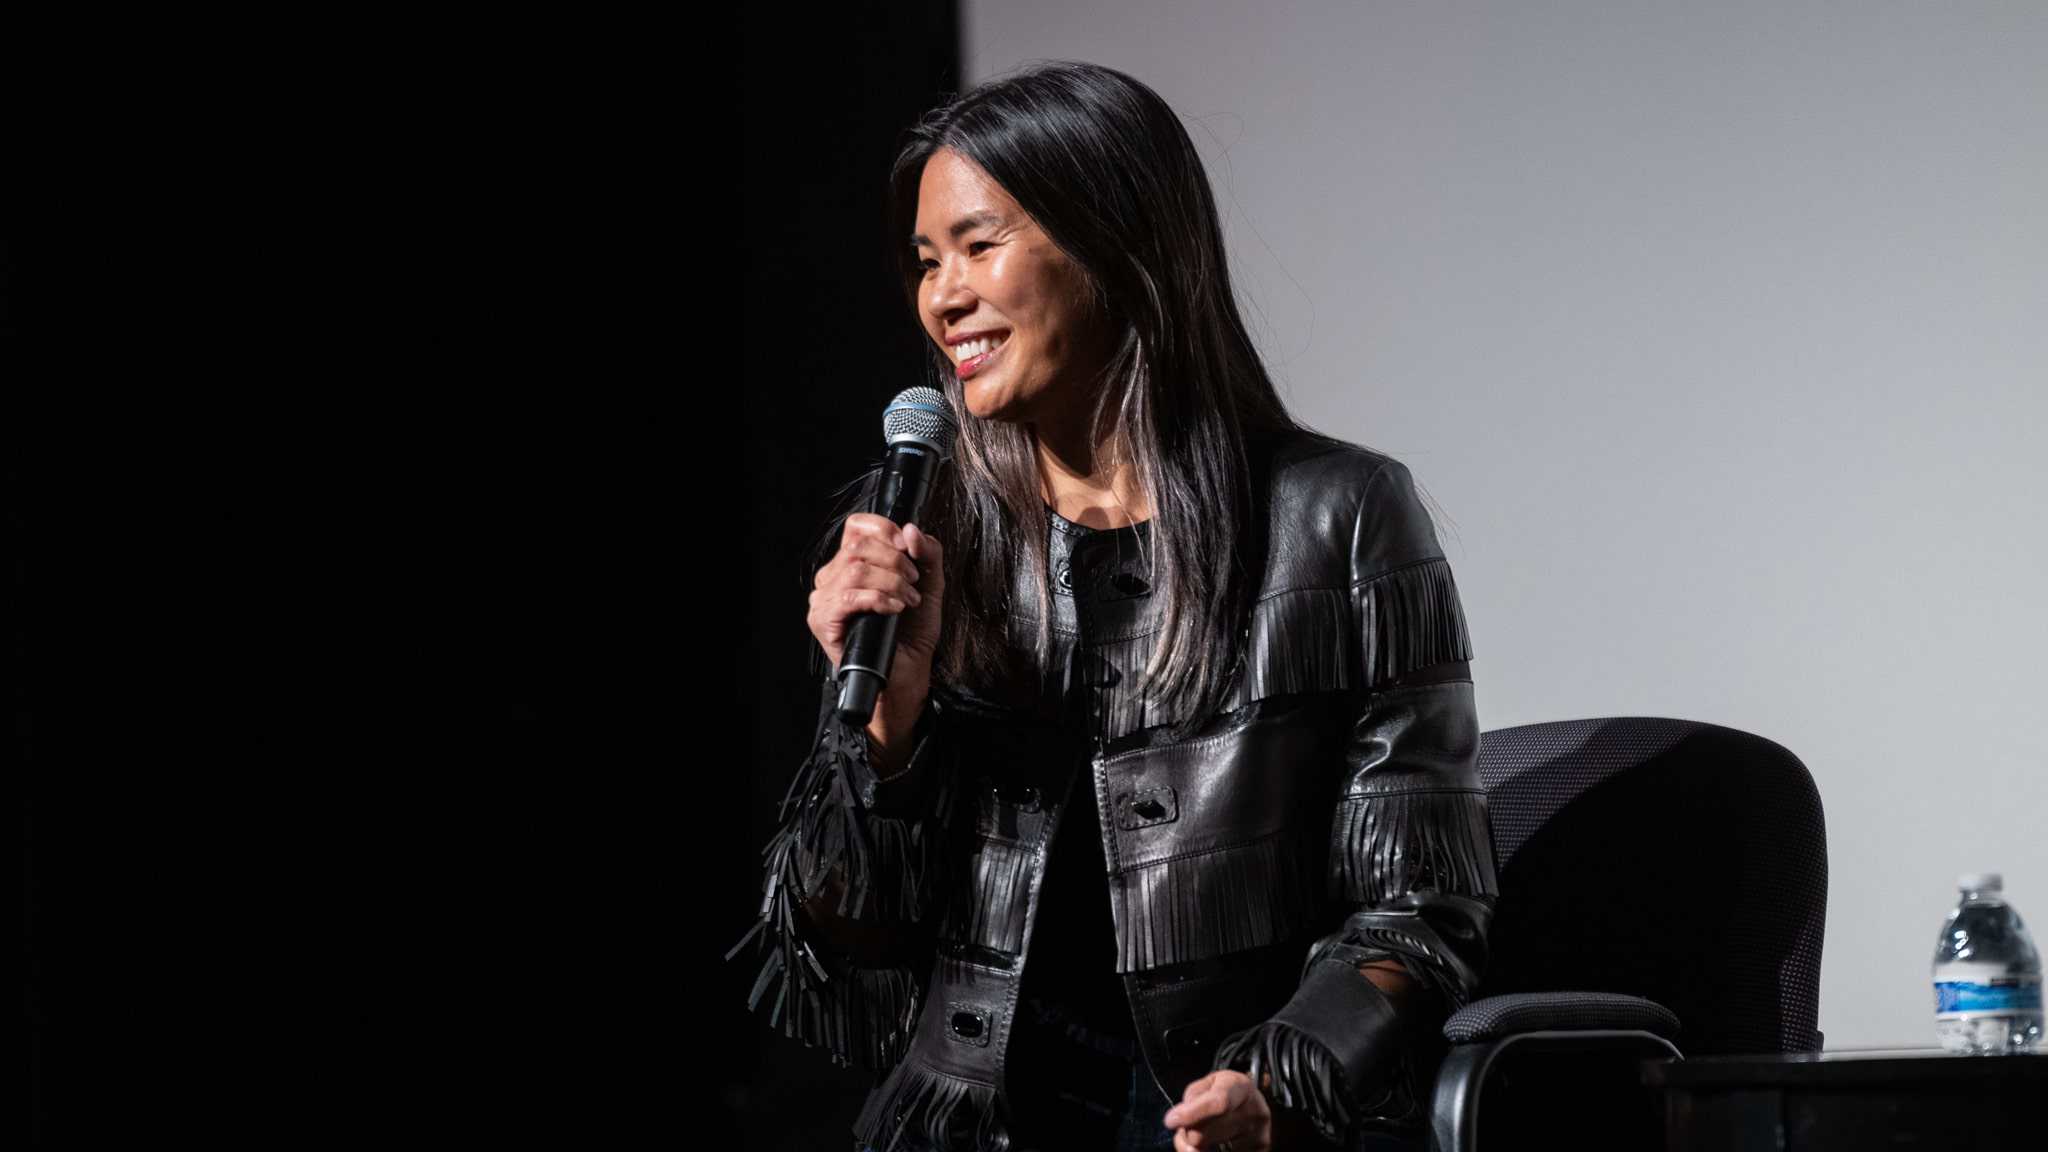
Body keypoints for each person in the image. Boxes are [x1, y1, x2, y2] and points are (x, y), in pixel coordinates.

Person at [726, 60, 1497, 1152]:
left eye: (979, 245)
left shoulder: (1339, 518)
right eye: (925, 260)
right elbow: (845, 950)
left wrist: (1276, 1083)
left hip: (1208, 1119)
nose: (942, 296)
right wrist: (886, 733)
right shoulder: (925, 532)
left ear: (1114, 243)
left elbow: (1419, 908)